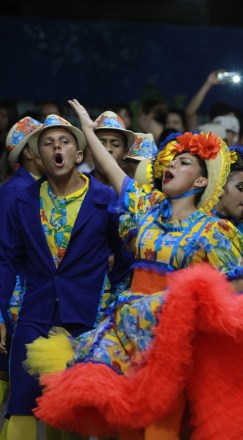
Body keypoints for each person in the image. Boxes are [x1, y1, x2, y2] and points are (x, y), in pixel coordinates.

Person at [28, 100, 243, 439]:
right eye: (172, 160)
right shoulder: (146, 207)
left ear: (201, 181)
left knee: (163, 428)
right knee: (125, 424)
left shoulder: (213, 231)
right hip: (127, 332)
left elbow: (233, 285)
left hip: (173, 340)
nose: (171, 164)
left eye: (184, 162)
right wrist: (86, 129)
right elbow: (112, 171)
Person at [0, 113, 130, 440]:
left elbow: (125, 259)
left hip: (87, 319)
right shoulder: (22, 199)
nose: (56, 148)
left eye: (65, 141)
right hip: (34, 315)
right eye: (48, 143)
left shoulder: (106, 199)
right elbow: (7, 260)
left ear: (80, 154)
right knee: (21, 404)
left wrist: (118, 306)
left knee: (72, 415)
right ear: (38, 156)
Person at [0, 117, 45, 438]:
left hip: (21, 296)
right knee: (18, 391)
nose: (52, 147)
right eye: (43, 142)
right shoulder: (18, 192)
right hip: (16, 298)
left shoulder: (29, 187)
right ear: (28, 152)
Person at [91, 110, 135, 187]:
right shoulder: (78, 188)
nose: (108, 149)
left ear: (125, 152)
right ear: (90, 149)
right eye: (100, 144)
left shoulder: (134, 192)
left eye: (115, 144)